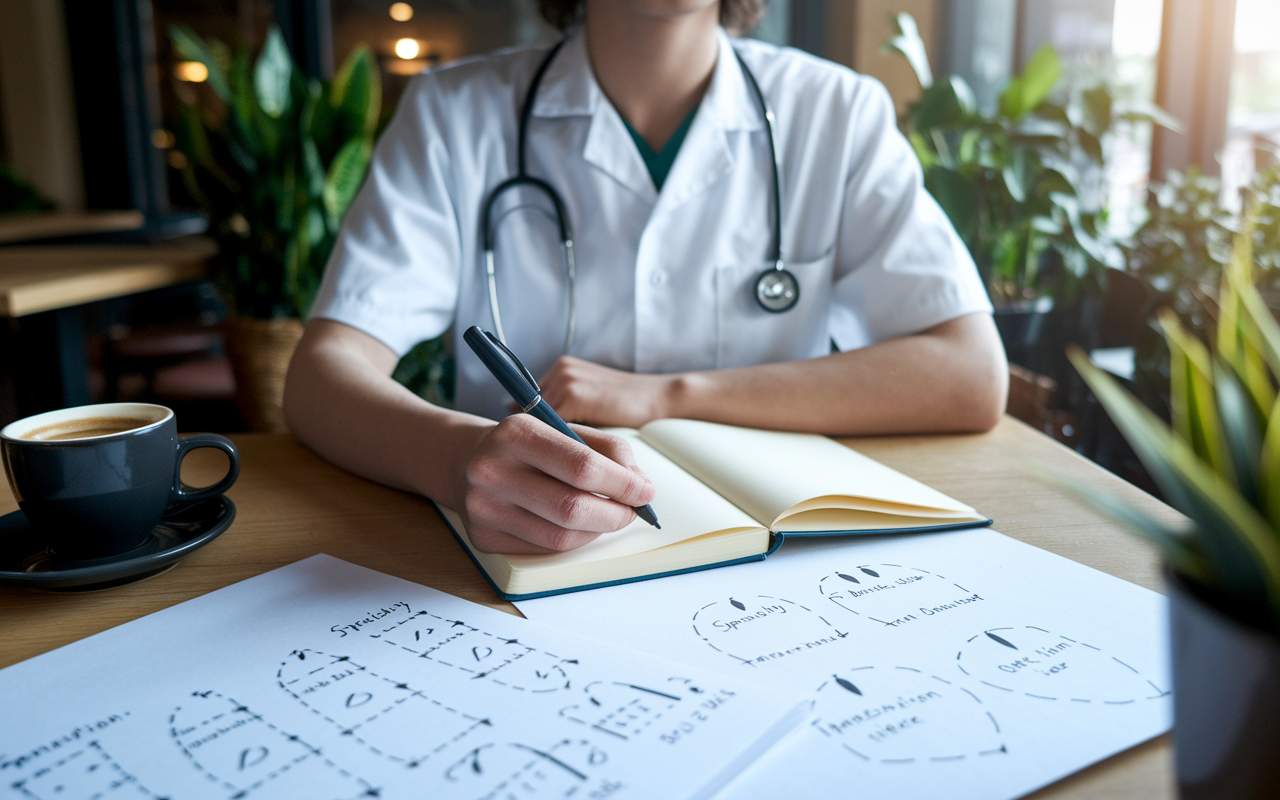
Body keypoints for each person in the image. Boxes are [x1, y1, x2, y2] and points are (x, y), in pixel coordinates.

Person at [283, 0, 1008, 557]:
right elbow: (322, 378)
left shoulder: (837, 113)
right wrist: (458, 460)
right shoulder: (453, 113)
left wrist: (664, 396)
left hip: (773, 562)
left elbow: (970, 375)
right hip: (522, 559)